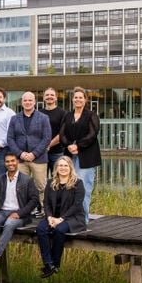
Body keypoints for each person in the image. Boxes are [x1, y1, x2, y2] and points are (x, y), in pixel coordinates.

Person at [0, 153, 38, 265]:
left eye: (12, 161)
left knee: (9, 223)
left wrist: (19, 213)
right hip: (2, 211)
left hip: (20, 214)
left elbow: (34, 200)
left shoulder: (27, 180)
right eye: (7, 161)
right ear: (4, 163)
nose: (10, 163)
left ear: (17, 162)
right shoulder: (0, 179)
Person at [35, 156, 86, 278]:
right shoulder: (50, 183)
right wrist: (49, 218)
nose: (63, 168)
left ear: (70, 168)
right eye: (60, 166)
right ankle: (48, 264)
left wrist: (60, 219)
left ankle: (56, 264)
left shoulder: (78, 184)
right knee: (40, 229)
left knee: (59, 230)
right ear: (56, 168)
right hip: (53, 217)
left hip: (73, 218)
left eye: (65, 165)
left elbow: (76, 205)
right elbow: (46, 203)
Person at [59, 87, 101, 222]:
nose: (78, 99)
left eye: (80, 97)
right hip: (69, 156)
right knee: (69, 187)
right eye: (75, 97)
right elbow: (62, 134)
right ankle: (70, 217)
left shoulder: (91, 115)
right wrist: (69, 145)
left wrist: (78, 146)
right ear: (72, 100)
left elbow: (92, 134)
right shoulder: (68, 115)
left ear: (85, 100)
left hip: (86, 156)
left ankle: (83, 219)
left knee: (83, 188)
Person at [7, 92, 51, 217]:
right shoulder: (15, 119)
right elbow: (10, 138)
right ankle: (25, 209)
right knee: (21, 186)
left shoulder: (43, 118)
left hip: (38, 158)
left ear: (34, 102)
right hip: (20, 159)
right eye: (25, 100)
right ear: (22, 102)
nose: (27, 102)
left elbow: (47, 138)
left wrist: (34, 153)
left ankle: (43, 209)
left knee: (41, 186)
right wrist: (20, 154)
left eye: (30, 100)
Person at [40, 88, 67, 176]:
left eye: (52, 95)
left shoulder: (63, 113)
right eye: (47, 95)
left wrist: (48, 145)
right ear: (44, 98)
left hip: (57, 152)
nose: (49, 97)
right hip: (41, 153)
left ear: (56, 98)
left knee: (58, 178)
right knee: (41, 180)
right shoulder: (38, 113)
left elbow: (62, 133)